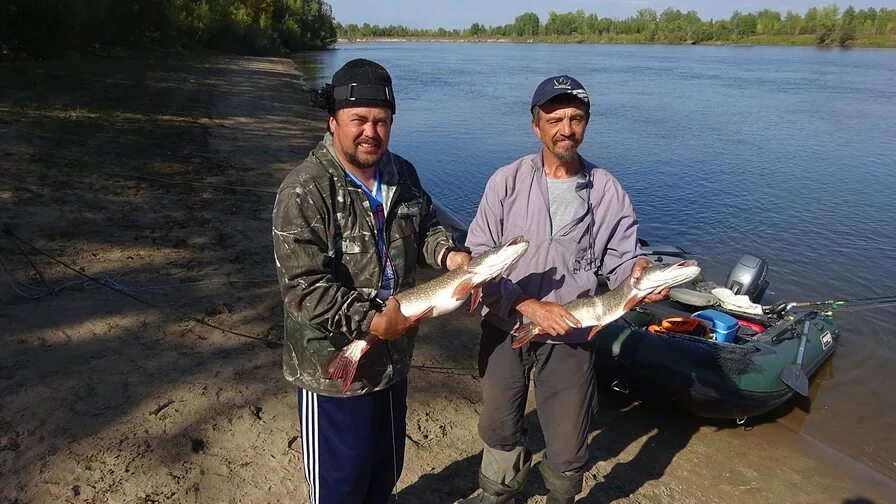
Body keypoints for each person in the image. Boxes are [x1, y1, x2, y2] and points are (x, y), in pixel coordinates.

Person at [459, 75, 667, 504]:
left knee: (570, 443)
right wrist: (526, 304)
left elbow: (623, 260)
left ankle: (561, 497)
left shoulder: (607, 190)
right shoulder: (506, 181)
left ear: (586, 124)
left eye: (575, 118)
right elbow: (477, 258)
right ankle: (498, 494)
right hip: (506, 322)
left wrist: (639, 272)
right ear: (536, 127)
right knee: (499, 426)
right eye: (554, 119)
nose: (566, 129)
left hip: (572, 333)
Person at [272, 58, 471, 504]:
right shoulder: (305, 189)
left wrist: (450, 254)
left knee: (385, 472)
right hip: (333, 370)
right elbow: (302, 288)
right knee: (341, 487)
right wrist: (371, 321)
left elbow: (425, 231)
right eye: (358, 119)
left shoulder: (403, 174)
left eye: (381, 121)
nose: (370, 132)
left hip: (394, 362)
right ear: (333, 121)